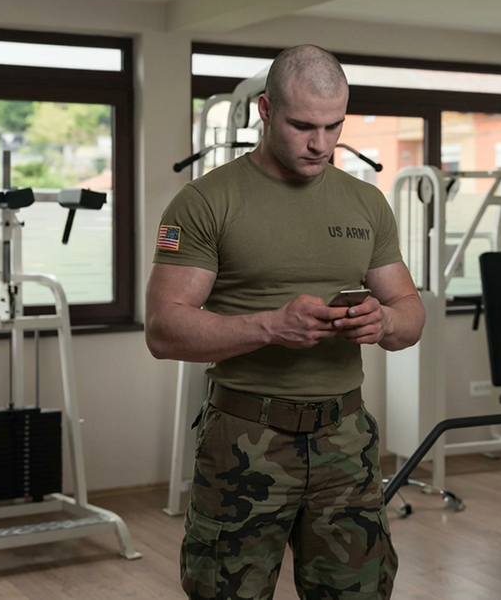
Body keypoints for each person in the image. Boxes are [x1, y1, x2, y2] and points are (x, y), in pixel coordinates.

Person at [145, 44, 425, 600]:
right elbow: (162, 328)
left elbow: (410, 313)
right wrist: (271, 326)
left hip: (345, 439)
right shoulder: (205, 202)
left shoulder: (367, 203)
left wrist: (384, 320)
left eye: (333, 126)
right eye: (303, 126)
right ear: (267, 110)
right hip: (245, 438)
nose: (321, 143)